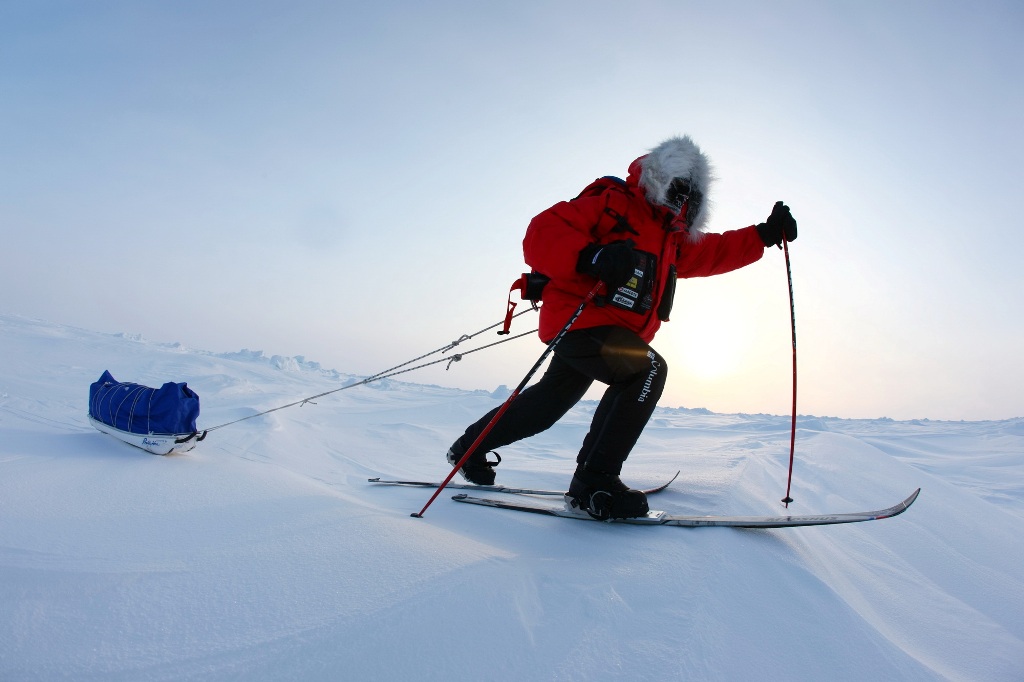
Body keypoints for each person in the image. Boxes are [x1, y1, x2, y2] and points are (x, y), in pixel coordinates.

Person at [446, 135, 797, 519]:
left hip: (610, 332)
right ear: (661, 178)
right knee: (646, 371)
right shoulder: (614, 203)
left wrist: (764, 234)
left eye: (690, 195)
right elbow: (543, 232)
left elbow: (711, 252)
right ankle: (593, 483)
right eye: (678, 188)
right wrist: (591, 255)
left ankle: (470, 447)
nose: (682, 200)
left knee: (549, 404)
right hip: (581, 321)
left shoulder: (671, 239)